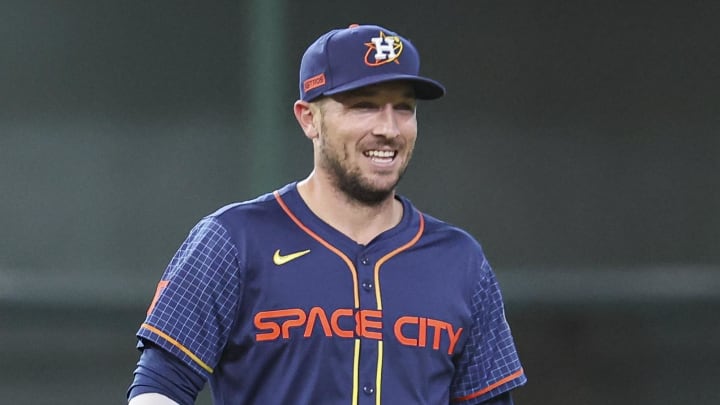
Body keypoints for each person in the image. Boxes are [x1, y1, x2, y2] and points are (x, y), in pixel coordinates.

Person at [127, 23, 526, 405]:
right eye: (364, 106)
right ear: (308, 119)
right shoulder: (233, 241)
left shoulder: (460, 261)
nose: (388, 127)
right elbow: (159, 387)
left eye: (403, 108)